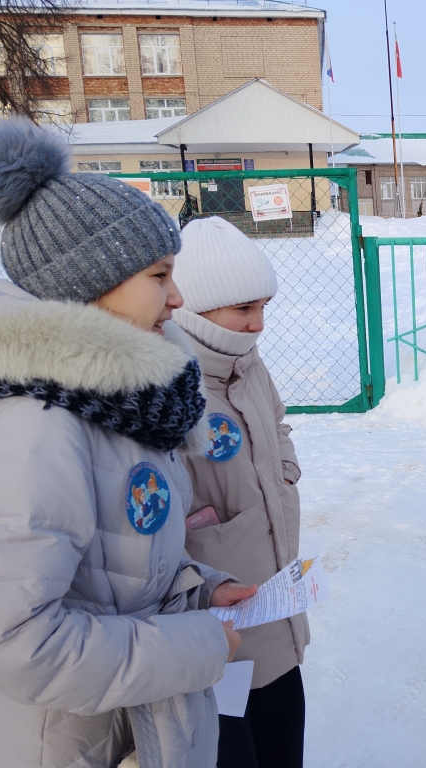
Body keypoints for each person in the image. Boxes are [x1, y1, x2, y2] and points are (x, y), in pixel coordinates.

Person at [0, 118, 257, 768]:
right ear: (88, 281)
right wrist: (197, 644)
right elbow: (13, 641)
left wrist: (199, 590)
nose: (178, 297)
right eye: (160, 275)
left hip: (141, 731)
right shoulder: (37, 426)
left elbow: (115, 568)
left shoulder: (123, 402)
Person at [171, 217, 308, 768]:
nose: (258, 324)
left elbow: (276, 422)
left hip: (273, 595)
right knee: (231, 745)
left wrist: (284, 472)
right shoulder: (169, 382)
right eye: (243, 309)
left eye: (263, 307)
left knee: (282, 736)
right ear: (196, 308)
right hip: (214, 612)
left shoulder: (247, 364)